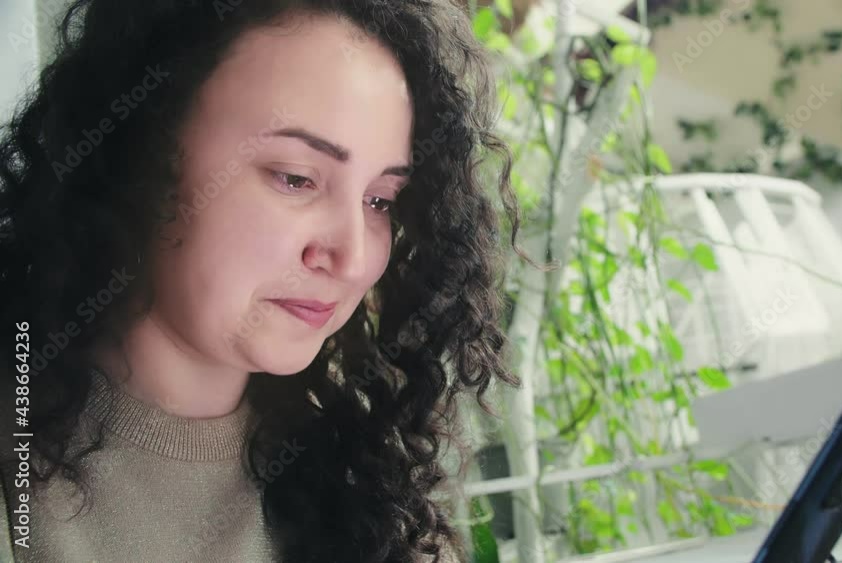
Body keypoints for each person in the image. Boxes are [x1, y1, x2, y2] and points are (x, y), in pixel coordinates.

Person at [0, 0, 540, 561]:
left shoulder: (371, 504)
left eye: (380, 200)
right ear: (143, 152)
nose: (352, 258)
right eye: (296, 178)